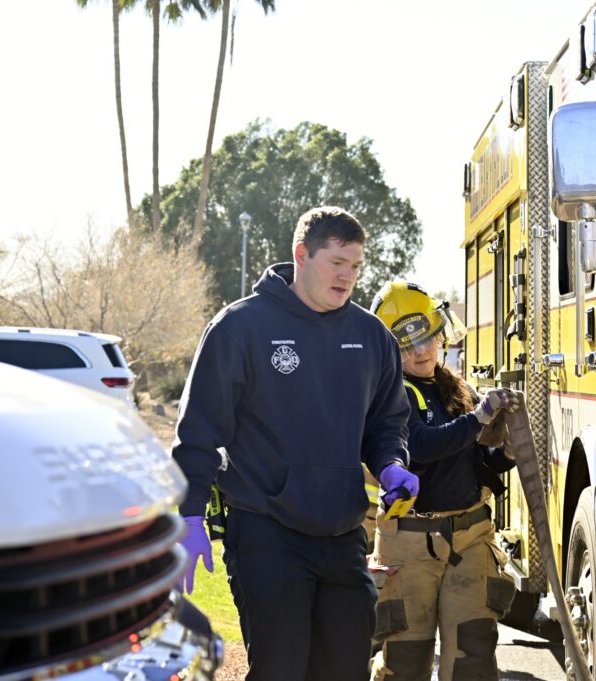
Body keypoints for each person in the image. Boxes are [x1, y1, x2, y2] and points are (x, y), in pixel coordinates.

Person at [172, 206, 420, 681]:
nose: (347, 276)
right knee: (281, 670)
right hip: (266, 531)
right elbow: (199, 430)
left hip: (343, 534)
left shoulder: (372, 337)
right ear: (302, 255)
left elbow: (387, 424)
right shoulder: (240, 327)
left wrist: (392, 464)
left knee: (346, 670)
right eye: (336, 262)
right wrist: (189, 514)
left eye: (356, 265)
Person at [368, 280, 520, 681]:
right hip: (409, 545)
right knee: (405, 664)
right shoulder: (390, 393)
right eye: (406, 346)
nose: (420, 351)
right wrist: (479, 418)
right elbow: (421, 446)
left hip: (470, 538)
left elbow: (473, 463)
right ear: (389, 351)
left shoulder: (457, 388)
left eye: (426, 339)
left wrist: (506, 455)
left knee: (473, 659)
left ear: (440, 334)